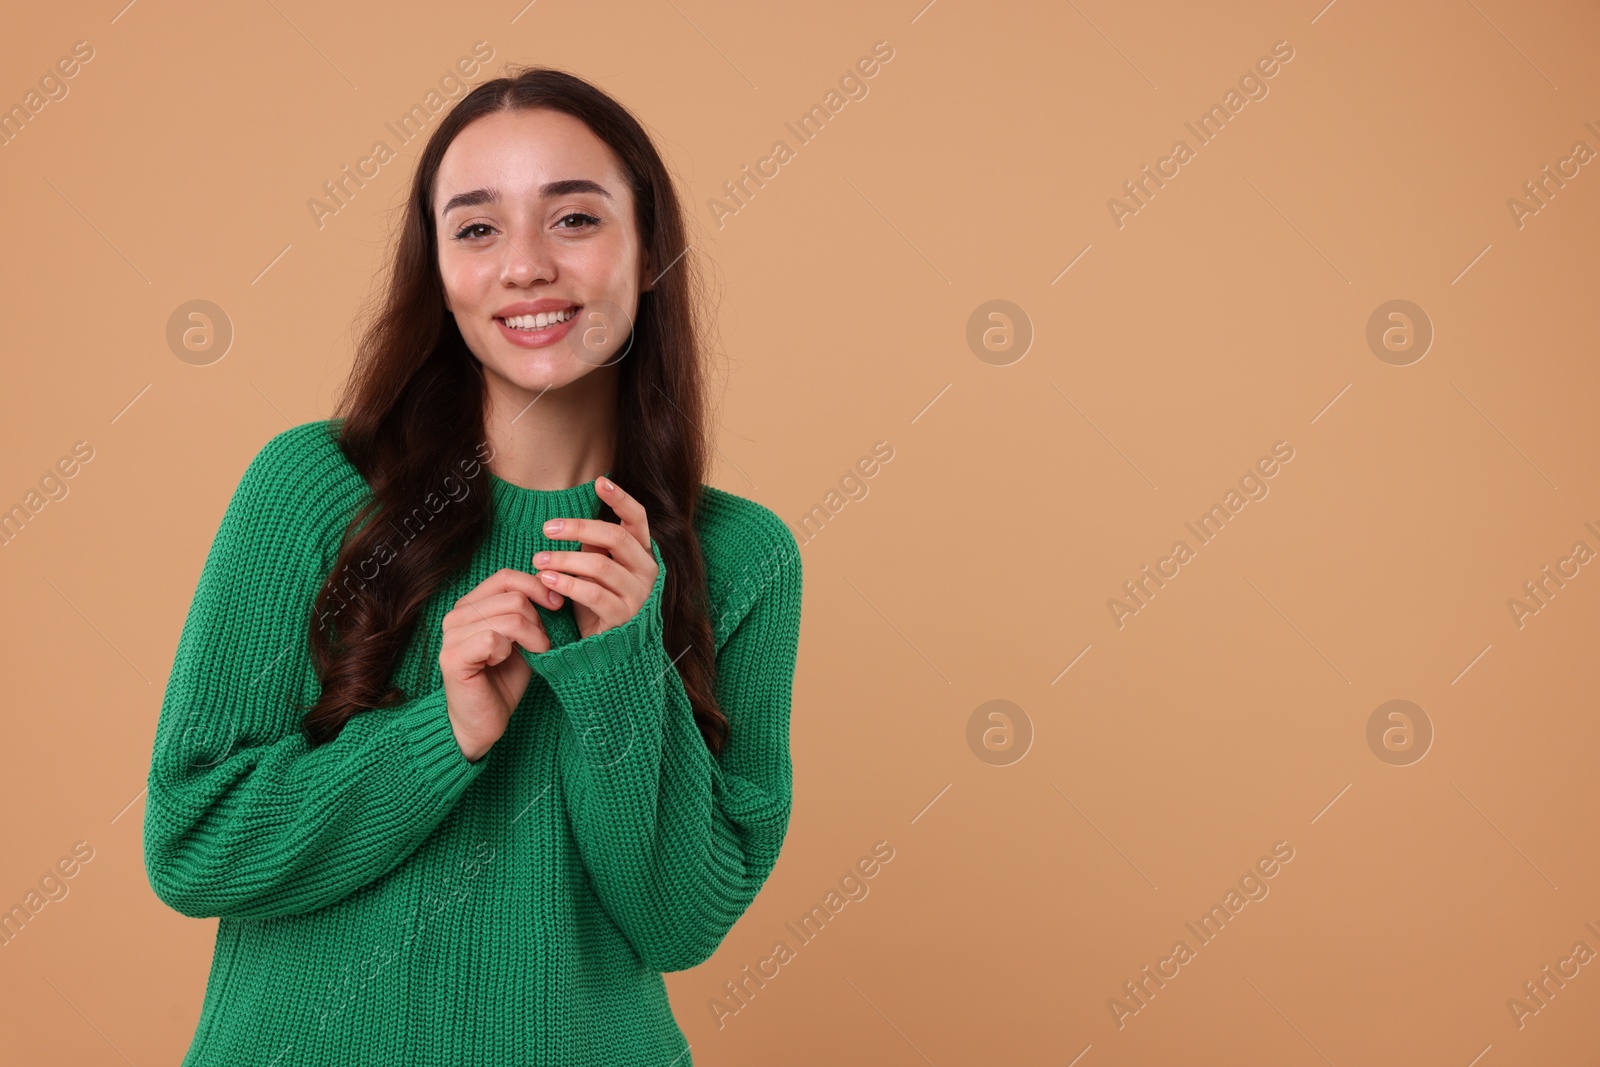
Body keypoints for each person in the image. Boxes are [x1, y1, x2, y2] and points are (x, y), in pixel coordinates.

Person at [142, 65, 803, 1066]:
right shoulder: (312, 488)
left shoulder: (741, 557)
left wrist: (623, 670)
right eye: (478, 227)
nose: (525, 265)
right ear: (438, 268)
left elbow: (679, 923)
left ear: (647, 249)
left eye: (575, 219)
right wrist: (437, 731)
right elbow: (192, 843)